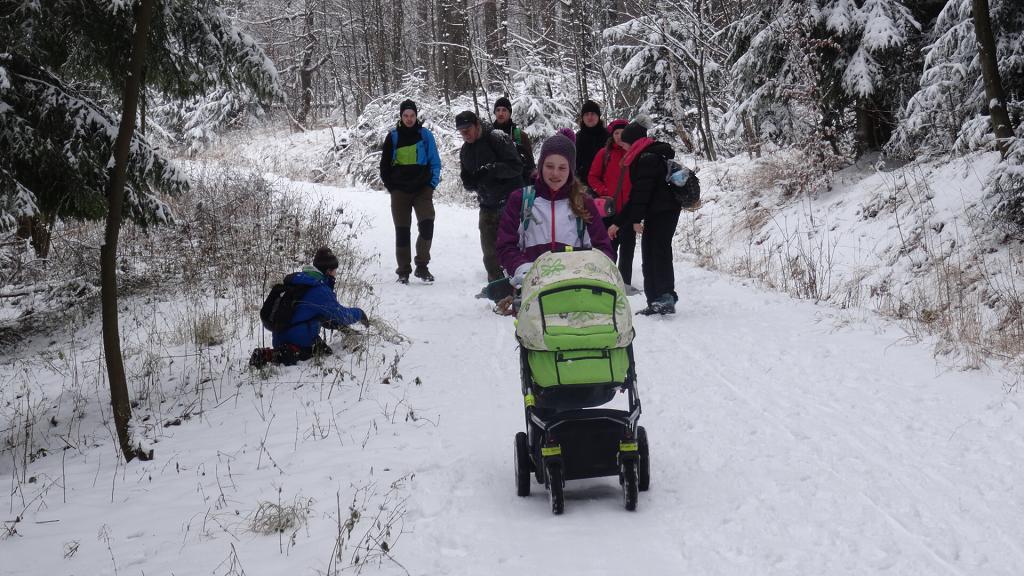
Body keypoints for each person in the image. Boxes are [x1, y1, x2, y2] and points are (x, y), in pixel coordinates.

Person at [496, 130, 614, 294]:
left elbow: (603, 248)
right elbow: (505, 245)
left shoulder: (584, 203)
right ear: (541, 166)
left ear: (571, 170)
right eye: (549, 166)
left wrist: (593, 272)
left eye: (562, 167)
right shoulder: (520, 200)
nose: (555, 173)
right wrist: (522, 268)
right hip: (532, 291)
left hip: (576, 293)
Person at [254, 248, 370, 366]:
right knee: (314, 356)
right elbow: (341, 315)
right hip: (298, 339)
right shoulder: (319, 290)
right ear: (328, 271)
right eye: (335, 270)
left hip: (282, 336)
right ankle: (274, 354)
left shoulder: (304, 280)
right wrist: (359, 313)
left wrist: (346, 330)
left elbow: (325, 317)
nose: (336, 273)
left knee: (325, 351)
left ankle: (280, 351)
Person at [615, 121, 683, 315]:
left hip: (664, 211)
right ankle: (655, 300)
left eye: (626, 143)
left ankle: (666, 297)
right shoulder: (646, 155)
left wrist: (635, 220)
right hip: (660, 211)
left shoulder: (647, 158)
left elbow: (641, 194)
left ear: (633, 141)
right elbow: (638, 196)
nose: (624, 147)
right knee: (650, 252)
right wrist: (619, 222)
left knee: (658, 252)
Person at [457, 110, 525, 297]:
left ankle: (520, 290)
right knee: (489, 253)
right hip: (486, 204)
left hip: (509, 202)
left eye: (468, 129)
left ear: (477, 125)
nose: (466, 134)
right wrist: (469, 182)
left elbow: (516, 167)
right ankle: (499, 294)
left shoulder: (497, 137)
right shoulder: (465, 150)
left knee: (514, 248)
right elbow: (469, 179)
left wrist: (493, 170)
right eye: (462, 132)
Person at [378, 99, 441, 284]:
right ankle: (403, 271)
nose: (409, 119)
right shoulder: (393, 137)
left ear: (416, 116)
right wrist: (392, 187)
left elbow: (435, 161)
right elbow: (384, 166)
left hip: (422, 190)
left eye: (412, 115)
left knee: (427, 225)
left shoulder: (425, 135)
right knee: (403, 231)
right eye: (405, 115)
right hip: (400, 192)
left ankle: (422, 266)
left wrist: (431, 185)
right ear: (401, 116)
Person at [587, 118, 639, 294]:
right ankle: (604, 281)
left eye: (622, 133)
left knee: (628, 247)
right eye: (616, 133)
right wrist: (604, 191)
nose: (619, 136)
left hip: (628, 210)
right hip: (608, 210)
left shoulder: (634, 154)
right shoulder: (604, 154)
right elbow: (592, 177)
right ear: (611, 135)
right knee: (608, 248)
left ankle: (624, 284)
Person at [492, 96, 535, 183]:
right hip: (494, 187)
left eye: (504, 110)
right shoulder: (488, 134)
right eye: (498, 110)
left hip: (517, 185)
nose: (500, 113)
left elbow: (530, 165)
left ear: (510, 113)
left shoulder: (519, 135)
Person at [574, 100, 607, 184]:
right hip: (583, 184)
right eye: (586, 114)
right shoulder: (577, 138)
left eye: (592, 114)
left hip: (605, 183)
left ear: (598, 116)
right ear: (583, 118)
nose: (589, 117)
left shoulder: (608, 136)